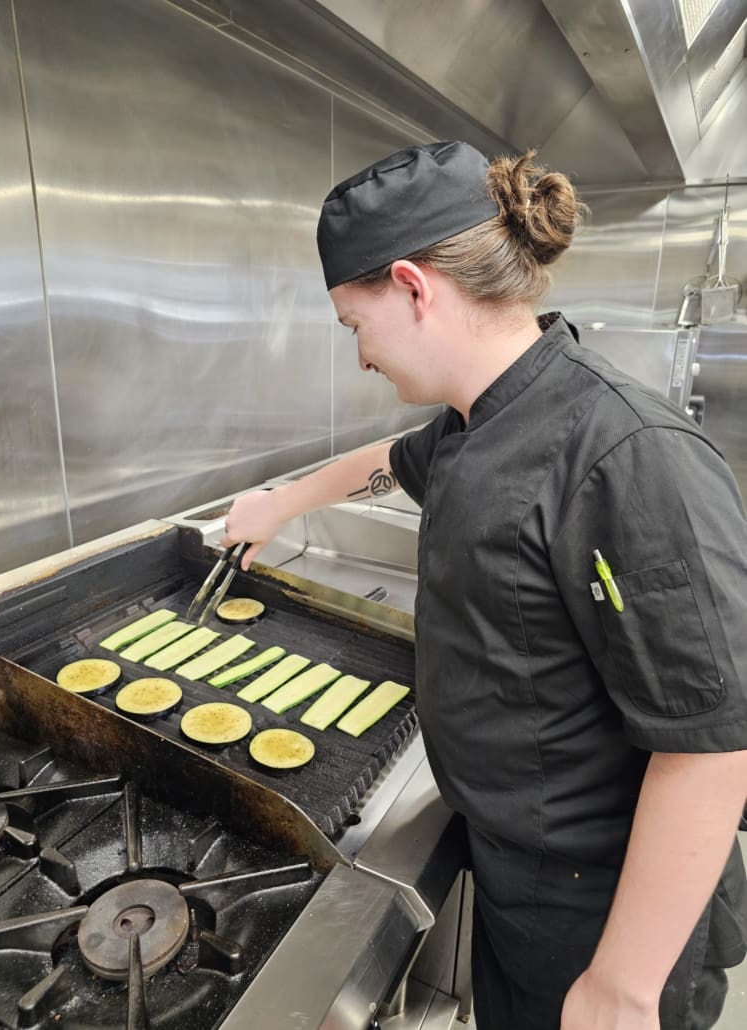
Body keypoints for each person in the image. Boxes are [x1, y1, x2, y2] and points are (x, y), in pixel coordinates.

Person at [221, 141, 747, 1029]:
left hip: (604, 906)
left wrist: (618, 989)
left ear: (412, 286)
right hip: (512, 864)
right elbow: (387, 462)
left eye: (356, 326)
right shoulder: (480, 418)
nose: (360, 357)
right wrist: (280, 501)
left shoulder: (627, 456)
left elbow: (707, 748)